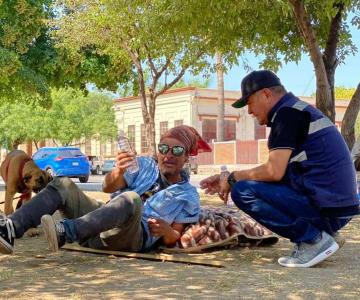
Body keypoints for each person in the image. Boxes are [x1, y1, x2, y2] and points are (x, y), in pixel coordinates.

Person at [200, 70, 360, 268]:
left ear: (266, 94)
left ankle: (313, 239)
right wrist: (229, 177)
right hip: (338, 207)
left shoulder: (286, 115)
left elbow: (273, 172)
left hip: (329, 209)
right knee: (245, 184)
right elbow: (276, 174)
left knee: (243, 192)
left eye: (249, 102)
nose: (249, 111)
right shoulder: (297, 111)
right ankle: (327, 235)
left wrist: (233, 178)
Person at [0, 125, 211, 255]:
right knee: (62, 183)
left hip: (131, 236)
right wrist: (118, 171)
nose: (168, 155)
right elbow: (106, 187)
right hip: (98, 222)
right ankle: (10, 229)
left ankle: (66, 232)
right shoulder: (145, 165)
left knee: (131, 198)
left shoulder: (188, 194)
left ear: (187, 157)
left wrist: (167, 231)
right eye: (164, 148)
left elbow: (175, 236)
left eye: (177, 150)